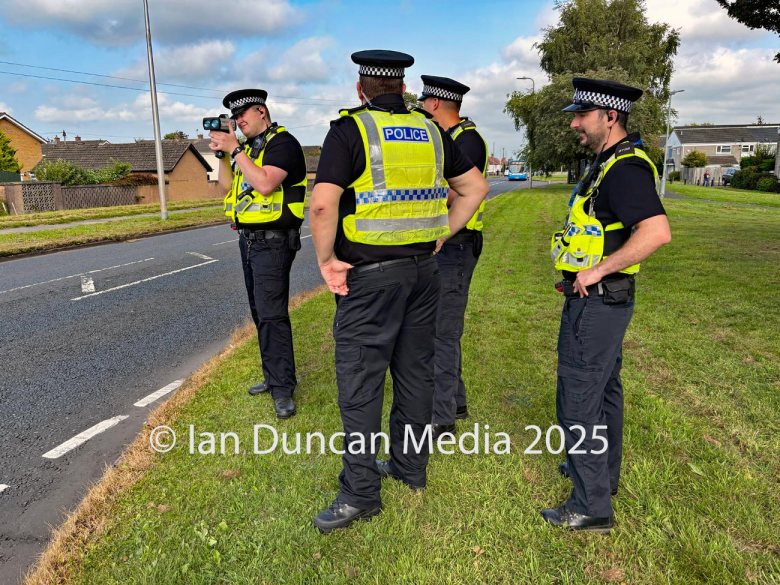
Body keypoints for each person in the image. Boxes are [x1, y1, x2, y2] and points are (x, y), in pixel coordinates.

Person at [309, 50, 489, 533]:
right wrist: (443, 234)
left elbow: (323, 207)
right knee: (415, 374)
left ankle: (360, 492)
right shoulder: (432, 131)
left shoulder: (351, 130)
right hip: (424, 275)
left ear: (360, 87)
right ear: (404, 87)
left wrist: (326, 263)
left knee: (361, 383)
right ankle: (410, 468)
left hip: (369, 280)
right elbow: (475, 188)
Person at [544, 78, 672, 531]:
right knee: (603, 393)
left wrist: (596, 271)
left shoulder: (624, 169)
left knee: (578, 399)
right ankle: (603, 476)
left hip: (598, 301)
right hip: (604, 303)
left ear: (610, 117)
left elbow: (656, 232)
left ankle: (590, 504)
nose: (575, 123)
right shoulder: (606, 163)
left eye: (582, 116)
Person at [211, 88, 307, 420]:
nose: (238, 122)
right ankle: (273, 377)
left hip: (275, 239)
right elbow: (226, 188)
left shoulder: (283, 144)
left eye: (243, 116)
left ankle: (283, 389)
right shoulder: (249, 149)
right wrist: (224, 155)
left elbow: (266, 184)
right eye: (234, 118)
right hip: (249, 239)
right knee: (259, 311)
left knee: (271, 313)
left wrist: (235, 148)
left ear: (261, 111)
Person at [418, 75, 488, 440]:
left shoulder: (467, 142)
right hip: (452, 244)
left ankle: (440, 415)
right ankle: (455, 402)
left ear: (434, 104)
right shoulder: (454, 139)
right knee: (443, 329)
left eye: (422, 101)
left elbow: (449, 194)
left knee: (441, 332)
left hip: (456, 244)